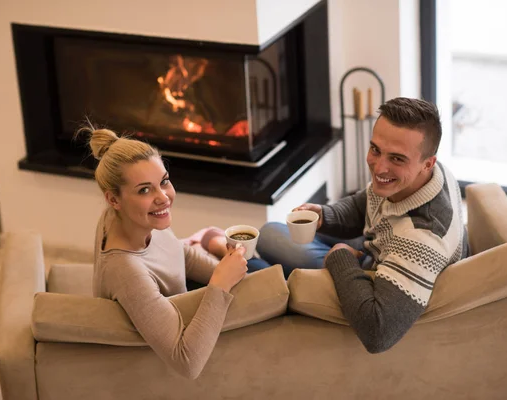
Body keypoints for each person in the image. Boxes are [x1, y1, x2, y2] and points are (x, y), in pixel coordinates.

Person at [256, 97, 468, 353]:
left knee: (269, 239)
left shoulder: (422, 238)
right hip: (376, 247)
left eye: (397, 159)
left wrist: (342, 258)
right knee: (271, 234)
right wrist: (326, 215)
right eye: (375, 149)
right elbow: (367, 201)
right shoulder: (429, 174)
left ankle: (251, 272)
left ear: (427, 163)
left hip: (372, 276)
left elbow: (378, 333)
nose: (379, 167)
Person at [86, 126, 249, 379]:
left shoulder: (123, 218)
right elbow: (187, 362)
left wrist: (221, 265)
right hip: (193, 335)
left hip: (190, 293)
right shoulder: (126, 271)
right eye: (144, 190)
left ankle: (211, 241)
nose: (163, 197)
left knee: (257, 250)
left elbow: (176, 252)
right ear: (113, 199)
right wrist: (220, 283)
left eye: (163, 181)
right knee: (273, 267)